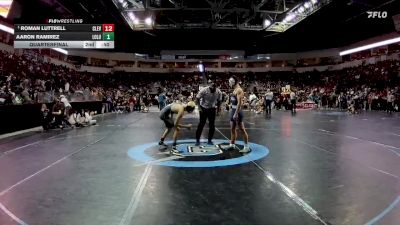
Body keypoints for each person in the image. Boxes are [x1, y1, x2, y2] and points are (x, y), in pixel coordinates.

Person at [228, 76, 250, 153]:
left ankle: (246, 147)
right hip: (233, 110)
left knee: (241, 129)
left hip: (237, 112)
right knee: (232, 129)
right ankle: (232, 145)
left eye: (230, 82)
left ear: (233, 82)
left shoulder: (239, 90)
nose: (229, 83)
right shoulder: (234, 90)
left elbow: (240, 103)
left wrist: (236, 114)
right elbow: (234, 102)